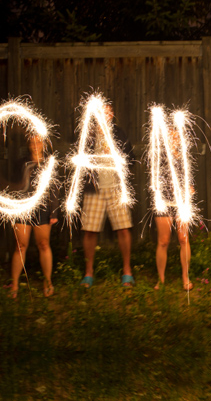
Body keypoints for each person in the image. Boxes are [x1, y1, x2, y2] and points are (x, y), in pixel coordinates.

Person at [79, 104, 135, 288]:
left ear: (112, 114)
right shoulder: (88, 134)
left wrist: (118, 156)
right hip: (93, 189)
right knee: (90, 230)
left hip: (115, 189)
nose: (105, 114)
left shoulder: (119, 133)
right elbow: (78, 159)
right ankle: (88, 273)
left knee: (124, 229)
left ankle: (127, 271)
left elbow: (131, 159)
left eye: (108, 111)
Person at [11, 135, 58, 298]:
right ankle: (15, 285)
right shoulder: (21, 163)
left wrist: (54, 211)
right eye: (32, 142)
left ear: (43, 144)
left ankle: (47, 282)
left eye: (38, 142)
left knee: (44, 244)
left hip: (43, 209)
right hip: (23, 208)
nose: (35, 145)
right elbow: (14, 188)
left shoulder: (49, 163)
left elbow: (54, 189)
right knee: (20, 246)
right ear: (28, 145)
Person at [152, 128, 193, 291]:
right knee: (163, 241)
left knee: (183, 239)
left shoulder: (184, 158)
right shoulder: (159, 157)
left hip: (181, 202)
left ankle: (185, 276)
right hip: (164, 201)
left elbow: (189, 177)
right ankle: (161, 280)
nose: (173, 139)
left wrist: (190, 188)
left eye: (176, 136)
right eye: (170, 136)